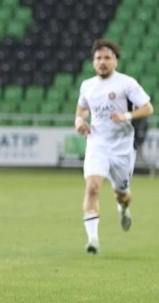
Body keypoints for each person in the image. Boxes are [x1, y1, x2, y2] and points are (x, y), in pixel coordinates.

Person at [74, 39, 153, 254]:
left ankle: (123, 207)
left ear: (115, 61)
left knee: (122, 194)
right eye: (98, 58)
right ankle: (93, 240)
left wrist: (126, 116)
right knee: (92, 187)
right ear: (93, 62)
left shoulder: (126, 83)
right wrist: (79, 122)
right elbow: (81, 109)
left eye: (107, 58)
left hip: (122, 148)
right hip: (97, 143)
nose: (102, 62)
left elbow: (148, 108)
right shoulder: (87, 85)